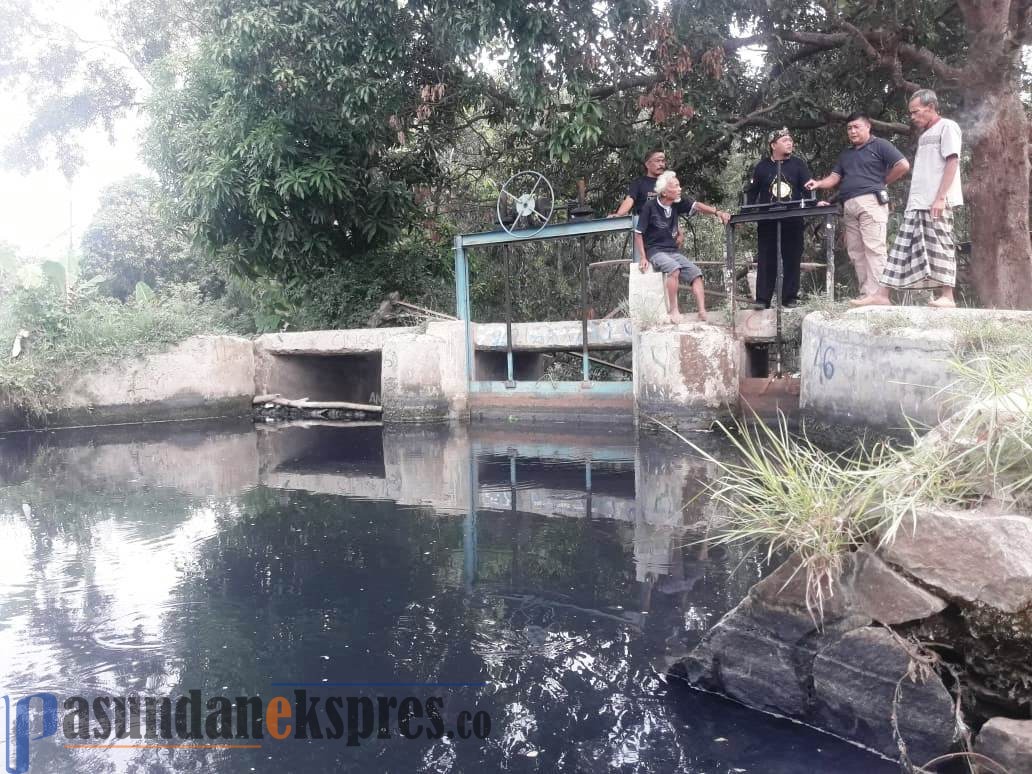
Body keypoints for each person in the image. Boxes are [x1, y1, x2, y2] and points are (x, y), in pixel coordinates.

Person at [805, 112, 910, 306]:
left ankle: (881, 295)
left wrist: (882, 182)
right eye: (849, 128)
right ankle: (867, 294)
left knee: (874, 248)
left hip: (871, 202)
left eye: (857, 127)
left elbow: (903, 165)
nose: (852, 131)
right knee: (856, 252)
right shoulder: (846, 154)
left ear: (868, 127)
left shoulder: (880, 145)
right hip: (849, 205)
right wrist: (818, 183)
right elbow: (834, 178)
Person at [880, 90, 963, 308]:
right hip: (918, 201)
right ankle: (882, 294)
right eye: (911, 113)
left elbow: (952, 162)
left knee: (943, 244)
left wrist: (940, 198)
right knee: (902, 246)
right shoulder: (925, 134)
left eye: (915, 112)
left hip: (936, 201)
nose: (912, 117)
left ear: (931, 106)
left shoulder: (948, 126)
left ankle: (948, 297)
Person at [634, 170, 731, 323]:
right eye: (676, 186)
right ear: (665, 192)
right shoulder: (649, 207)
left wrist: (717, 212)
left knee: (696, 274)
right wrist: (643, 257)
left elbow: (697, 206)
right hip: (654, 251)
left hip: (672, 250)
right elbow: (638, 233)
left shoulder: (677, 203)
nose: (680, 189)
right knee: (674, 269)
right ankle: (674, 310)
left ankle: (702, 312)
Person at [746, 128, 811, 308]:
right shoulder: (762, 167)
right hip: (768, 219)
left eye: (790, 140)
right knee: (766, 257)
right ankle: (762, 299)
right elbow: (752, 192)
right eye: (785, 140)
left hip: (793, 218)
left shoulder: (799, 165)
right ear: (773, 145)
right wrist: (745, 213)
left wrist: (815, 204)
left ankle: (790, 297)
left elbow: (808, 190)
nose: (790, 143)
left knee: (792, 257)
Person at [611, 148, 667, 216]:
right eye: (657, 161)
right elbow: (629, 199)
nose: (661, 164)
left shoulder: (668, 184)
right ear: (647, 164)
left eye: (663, 161)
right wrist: (618, 214)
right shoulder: (639, 183)